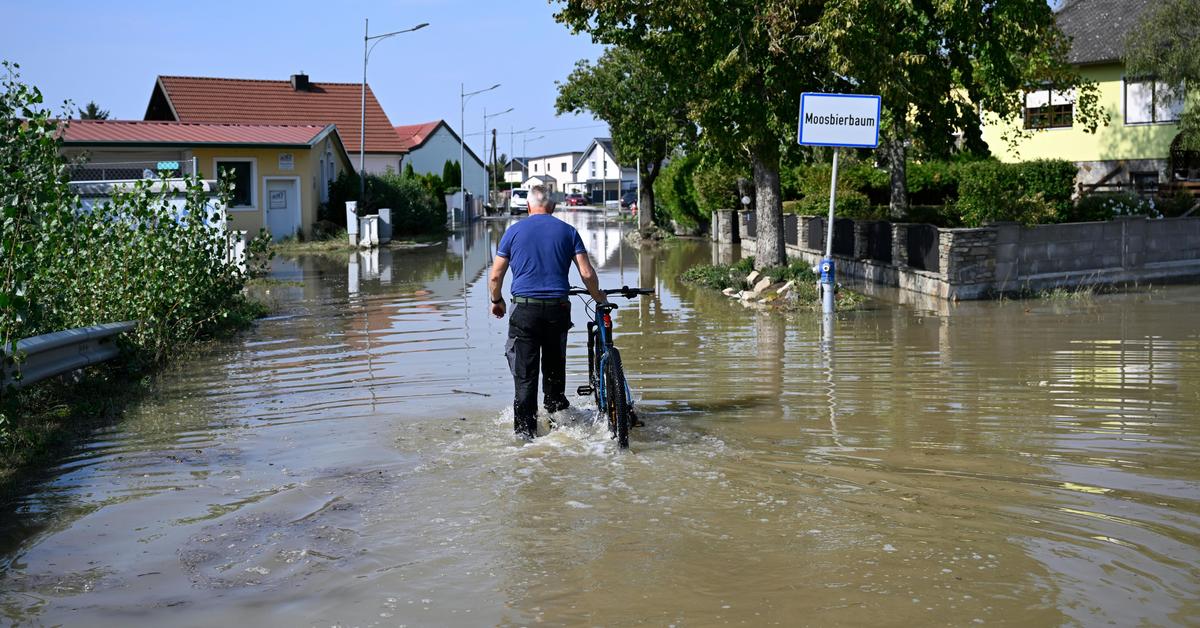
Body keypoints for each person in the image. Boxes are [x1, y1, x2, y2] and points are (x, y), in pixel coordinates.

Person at [488, 185, 606, 439]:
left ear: (528, 206)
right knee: (554, 370)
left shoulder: (513, 232)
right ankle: (559, 424)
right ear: (552, 207)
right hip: (557, 309)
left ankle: (524, 435)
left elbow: (496, 275)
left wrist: (496, 300)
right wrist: (598, 297)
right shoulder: (568, 231)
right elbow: (586, 273)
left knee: (525, 377)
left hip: (524, 310)